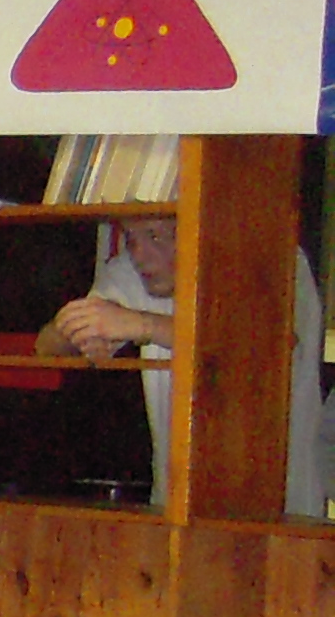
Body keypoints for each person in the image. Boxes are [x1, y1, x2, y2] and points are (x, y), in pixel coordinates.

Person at [42, 211, 327, 518]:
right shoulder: (130, 271)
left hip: (278, 507)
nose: (140, 255)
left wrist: (144, 325)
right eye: (130, 238)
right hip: (176, 502)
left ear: (201, 227)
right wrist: (78, 330)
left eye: (155, 236)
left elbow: (267, 347)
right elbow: (46, 348)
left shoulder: (275, 256)